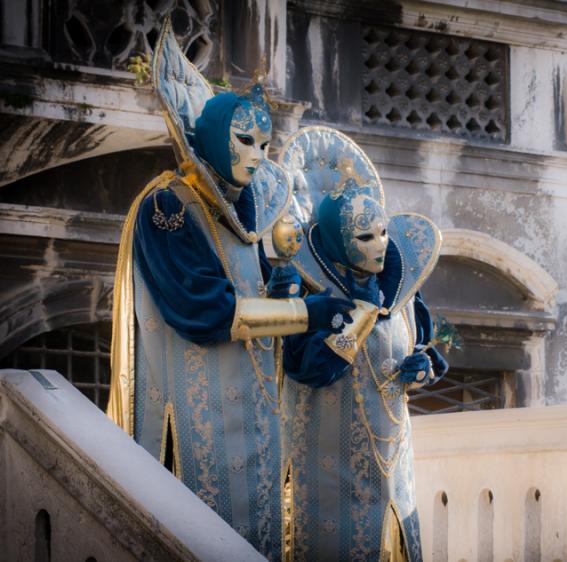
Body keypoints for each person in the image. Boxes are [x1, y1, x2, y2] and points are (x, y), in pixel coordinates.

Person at [107, 22, 353, 560]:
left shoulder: (240, 218)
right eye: (246, 141)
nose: (259, 155)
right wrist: (303, 312)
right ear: (217, 139)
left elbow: (245, 296)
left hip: (251, 427)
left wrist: (277, 285)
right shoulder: (166, 207)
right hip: (190, 431)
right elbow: (208, 312)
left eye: (266, 144)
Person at [274, 127, 448, 561]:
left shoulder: (403, 292)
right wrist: (357, 316)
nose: (381, 246)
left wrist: (422, 368)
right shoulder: (309, 297)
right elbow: (308, 370)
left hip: (394, 471)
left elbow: (423, 350)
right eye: (364, 237)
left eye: (383, 233)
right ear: (335, 240)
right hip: (328, 478)